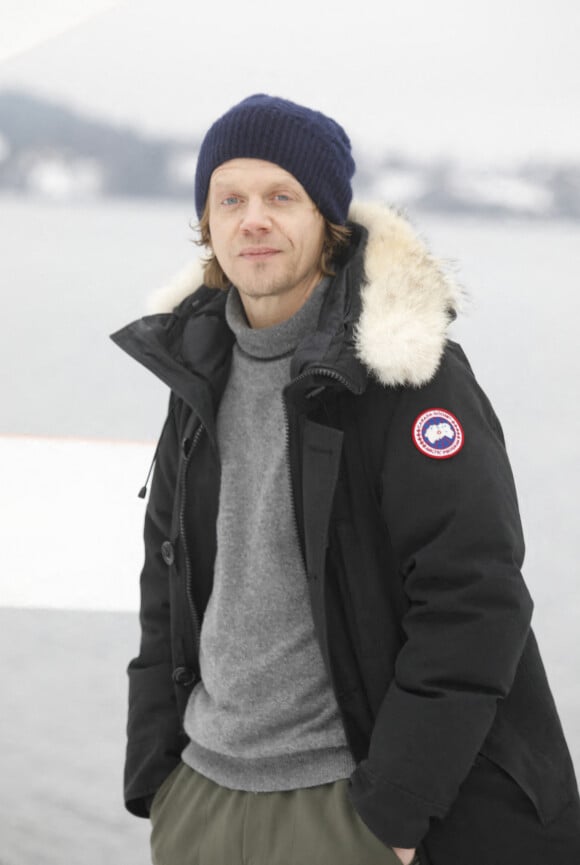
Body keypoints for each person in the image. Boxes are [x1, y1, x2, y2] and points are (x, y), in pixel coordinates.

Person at [111, 94, 580, 865]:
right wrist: (156, 775)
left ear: (327, 222)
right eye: (229, 198)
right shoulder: (196, 373)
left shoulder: (404, 373)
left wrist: (393, 814)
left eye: (280, 197)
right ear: (208, 223)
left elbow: (474, 601)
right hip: (200, 797)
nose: (252, 219)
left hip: (344, 804)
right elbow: (165, 586)